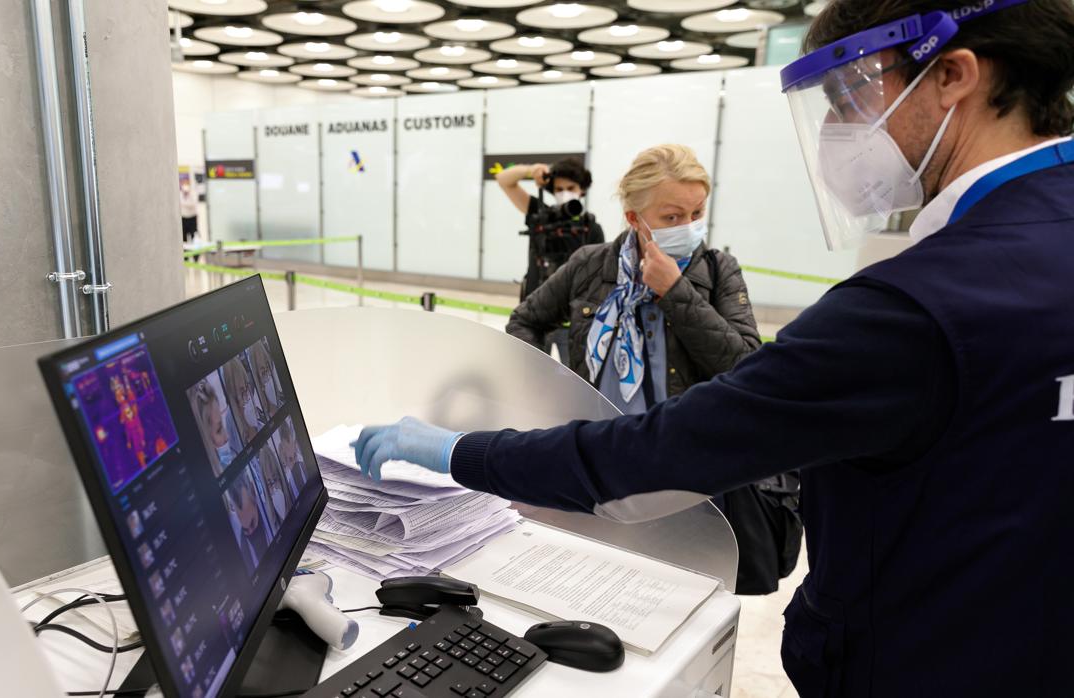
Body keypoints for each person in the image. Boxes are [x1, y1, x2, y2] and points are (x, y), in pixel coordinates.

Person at [353, 0, 1074, 694]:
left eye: (850, 93)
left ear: (951, 75)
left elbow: (656, 450)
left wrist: (455, 451)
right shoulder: (1025, 254)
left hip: (930, 659)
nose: (837, 127)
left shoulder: (913, 306)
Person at [506, 144, 800, 594]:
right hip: (598, 461)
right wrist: (551, 393)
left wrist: (675, 291)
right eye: (671, 217)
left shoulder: (718, 270)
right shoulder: (589, 265)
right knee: (590, 588)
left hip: (685, 474)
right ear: (633, 219)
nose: (688, 227)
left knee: (675, 596)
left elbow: (744, 363)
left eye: (696, 212)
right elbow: (526, 321)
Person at [496, 158, 606, 364]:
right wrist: (531, 169)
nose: (565, 192)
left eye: (571, 187)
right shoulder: (540, 215)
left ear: (582, 190)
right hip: (536, 316)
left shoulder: (591, 227)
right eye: (559, 188)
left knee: (577, 381)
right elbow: (503, 179)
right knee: (530, 374)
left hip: (574, 320)